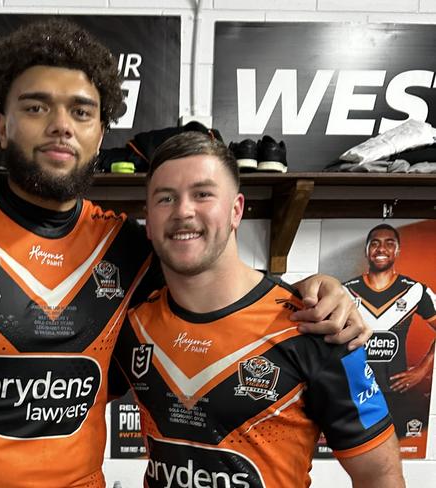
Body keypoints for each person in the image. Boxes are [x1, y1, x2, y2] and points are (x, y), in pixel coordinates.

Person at [0, 19, 367, 488]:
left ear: (101, 135)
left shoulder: (126, 246)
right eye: (36, 107)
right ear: (0, 124)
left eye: (81, 111)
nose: (61, 126)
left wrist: (321, 288)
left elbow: (221, 290)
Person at [112, 132, 405, 488]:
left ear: (236, 209)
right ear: (148, 219)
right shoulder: (133, 326)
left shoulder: (315, 325)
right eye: (165, 198)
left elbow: (381, 477)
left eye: (202, 194)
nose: (183, 211)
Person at [343, 224, 436, 440]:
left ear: (397, 251)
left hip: (396, 393)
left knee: (392, 455)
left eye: (389, 243)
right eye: (374, 243)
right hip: (353, 392)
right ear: (366, 250)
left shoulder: (415, 291)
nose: (381, 248)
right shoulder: (344, 290)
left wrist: (423, 369)